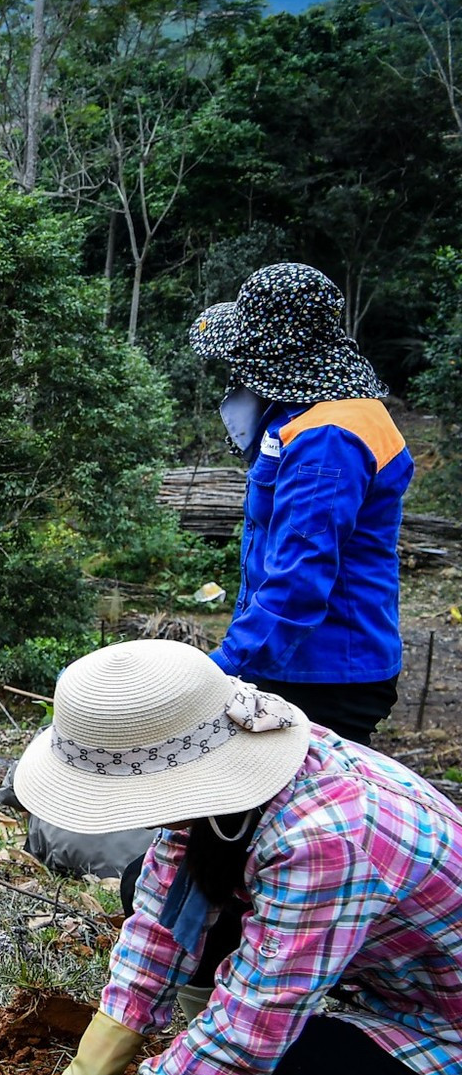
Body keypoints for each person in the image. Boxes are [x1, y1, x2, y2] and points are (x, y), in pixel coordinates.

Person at [22, 640, 462, 1075]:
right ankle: (205, 1036)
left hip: (445, 1036)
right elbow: (159, 924)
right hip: (387, 981)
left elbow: (253, 1033)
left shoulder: (321, 838)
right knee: (145, 884)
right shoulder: (216, 769)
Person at [189, 262, 413, 744]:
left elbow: (299, 576)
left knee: (289, 816)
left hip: (321, 672)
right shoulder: (309, 410)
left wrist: (223, 670)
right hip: (295, 658)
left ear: (273, 355)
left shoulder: (328, 437)